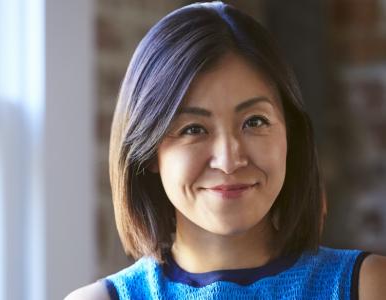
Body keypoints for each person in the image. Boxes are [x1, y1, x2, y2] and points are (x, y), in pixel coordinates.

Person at [66, 1, 386, 299]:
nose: (230, 160)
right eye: (193, 129)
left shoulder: (369, 287)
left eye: (255, 121)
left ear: (290, 135)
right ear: (149, 152)